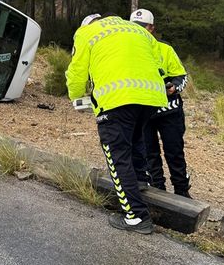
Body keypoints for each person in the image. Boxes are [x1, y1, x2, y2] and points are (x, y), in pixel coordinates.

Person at [66, 12, 166, 234]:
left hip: (116, 100)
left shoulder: (87, 33)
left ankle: (136, 217)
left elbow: (77, 70)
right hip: (151, 97)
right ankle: (139, 181)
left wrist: (75, 96)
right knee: (136, 139)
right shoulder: (138, 30)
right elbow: (158, 62)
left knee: (117, 155)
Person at [130, 9, 192, 198]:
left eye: (143, 27)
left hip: (169, 111)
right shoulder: (127, 52)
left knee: (174, 152)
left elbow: (181, 75)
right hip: (143, 112)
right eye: (135, 27)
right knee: (149, 154)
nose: (139, 30)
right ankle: (158, 192)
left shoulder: (164, 49)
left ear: (152, 28)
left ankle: (182, 192)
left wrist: (174, 87)